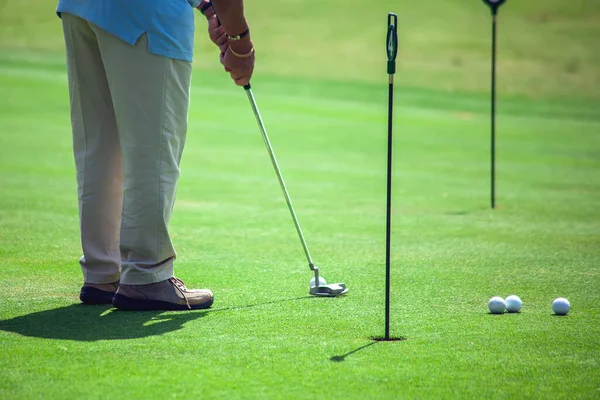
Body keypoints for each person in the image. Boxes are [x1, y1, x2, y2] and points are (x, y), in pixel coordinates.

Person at [57, 0, 255, 310]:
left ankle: (102, 272)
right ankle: (146, 275)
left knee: (100, 147)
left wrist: (206, 7)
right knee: (153, 152)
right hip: (146, 16)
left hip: (80, 8)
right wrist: (240, 43)